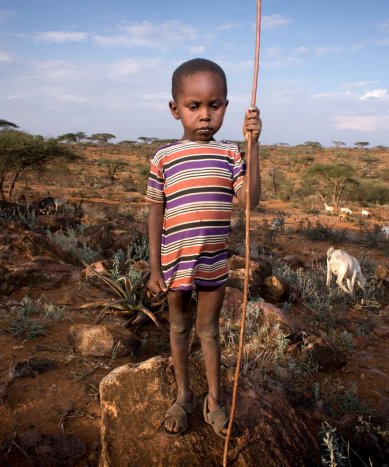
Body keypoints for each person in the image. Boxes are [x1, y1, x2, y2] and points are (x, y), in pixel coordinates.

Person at [145, 58, 261, 438]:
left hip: (213, 261)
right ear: (175, 109)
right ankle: (183, 397)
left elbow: (250, 201)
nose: (205, 115)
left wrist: (253, 145)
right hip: (174, 261)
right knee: (179, 328)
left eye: (215, 105)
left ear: (227, 105)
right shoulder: (164, 157)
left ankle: (214, 398)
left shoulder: (231, 155)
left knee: (209, 330)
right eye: (194, 107)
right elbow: (155, 212)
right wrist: (154, 268)